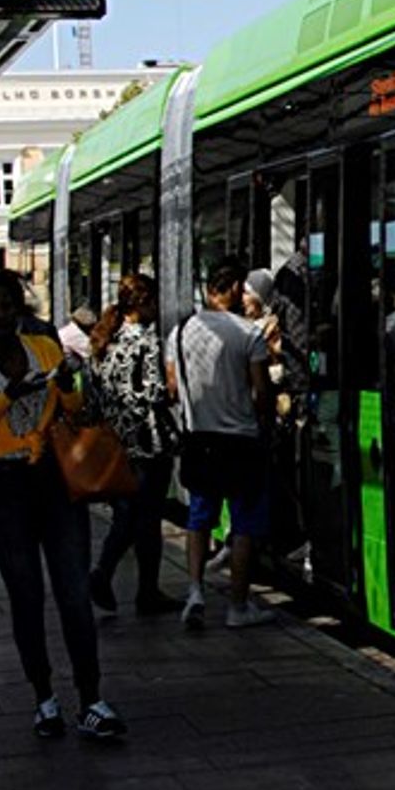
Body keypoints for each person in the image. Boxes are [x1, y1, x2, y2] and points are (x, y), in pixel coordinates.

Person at [0, 271, 125, 740]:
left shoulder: (44, 349)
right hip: (3, 487)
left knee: (73, 594)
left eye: (7, 305)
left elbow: (73, 405)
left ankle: (92, 699)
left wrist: (67, 383)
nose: (1, 315)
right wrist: (8, 396)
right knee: (26, 598)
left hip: (53, 480)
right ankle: (44, 699)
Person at [170, 263, 276, 629]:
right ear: (231, 288)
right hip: (241, 441)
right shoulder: (248, 334)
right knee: (245, 524)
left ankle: (195, 591)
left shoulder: (181, 331)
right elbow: (262, 391)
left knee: (198, 519)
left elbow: (172, 387)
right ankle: (238, 606)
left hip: (199, 439)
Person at [85, 274, 176, 617]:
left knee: (127, 513)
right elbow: (153, 393)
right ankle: (145, 591)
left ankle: (103, 573)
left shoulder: (105, 339)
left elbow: (93, 399)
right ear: (143, 303)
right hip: (147, 442)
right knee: (147, 518)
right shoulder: (146, 342)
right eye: (153, 301)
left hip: (115, 442)